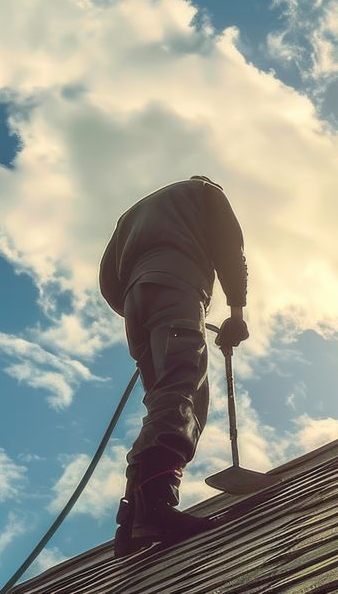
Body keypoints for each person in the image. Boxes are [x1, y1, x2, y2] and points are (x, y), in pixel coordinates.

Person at [98, 175, 250, 553]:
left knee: (163, 396)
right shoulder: (207, 193)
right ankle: (157, 506)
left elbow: (107, 280)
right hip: (177, 288)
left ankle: (134, 517)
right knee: (184, 389)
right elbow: (230, 251)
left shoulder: (130, 217)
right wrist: (235, 313)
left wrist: (141, 305)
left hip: (135, 303)